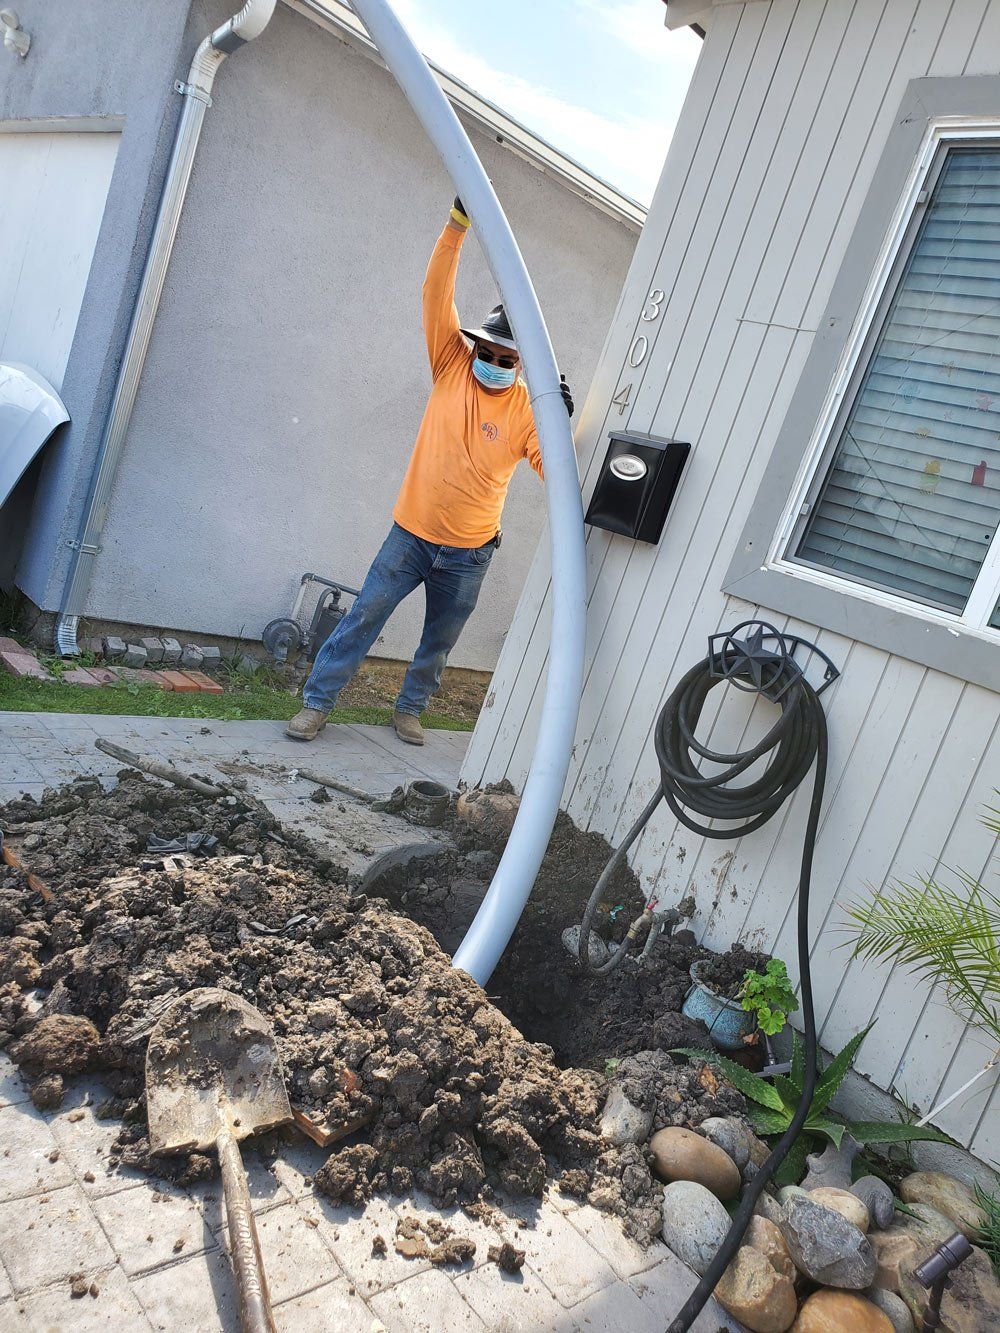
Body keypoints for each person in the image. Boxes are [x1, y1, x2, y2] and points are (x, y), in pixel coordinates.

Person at [286, 196, 573, 746]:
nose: (494, 364)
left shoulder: (526, 412)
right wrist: (456, 226)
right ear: (475, 346)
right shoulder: (451, 363)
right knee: (364, 617)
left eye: (508, 360)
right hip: (411, 536)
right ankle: (316, 704)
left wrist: (558, 423)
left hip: (469, 554)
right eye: (489, 352)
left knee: (439, 642)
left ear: (523, 365)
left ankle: (409, 710)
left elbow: (553, 472)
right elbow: (435, 292)